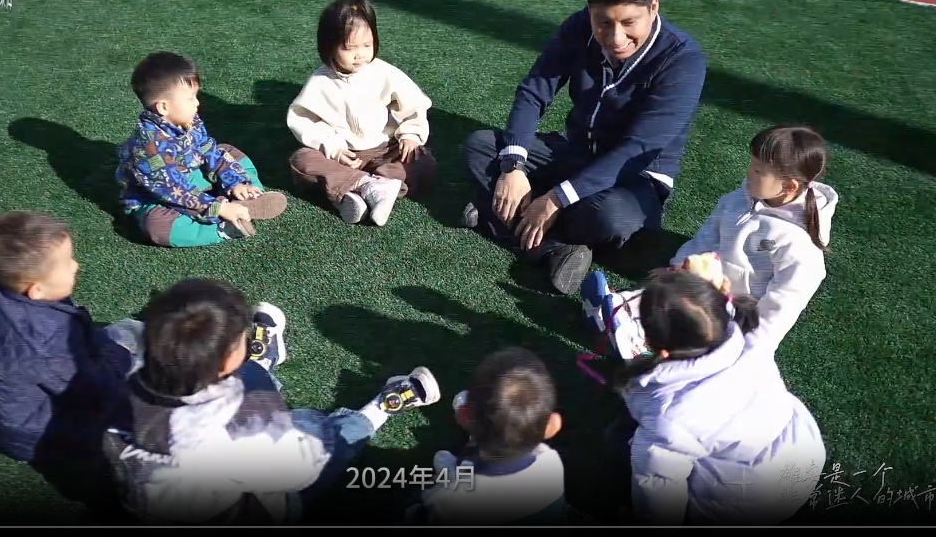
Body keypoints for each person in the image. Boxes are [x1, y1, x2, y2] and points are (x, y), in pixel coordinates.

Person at [461, 0, 708, 294]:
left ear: (653, 7)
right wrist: (513, 166)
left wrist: (555, 199)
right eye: (603, 22)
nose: (616, 37)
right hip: (574, 154)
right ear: (589, 10)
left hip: (634, 178)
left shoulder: (683, 60)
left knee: (612, 218)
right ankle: (553, 246)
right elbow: (534, 92)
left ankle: (502, 218)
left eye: (629, 23)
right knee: (481, 147)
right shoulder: (578, 27)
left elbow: (638, 147)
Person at [104, 278, 445, 525]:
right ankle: (380, 408)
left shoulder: (112, 380)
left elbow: (119, 336)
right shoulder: (240, 427)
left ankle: (264, 360)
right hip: (243, 508)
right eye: (239, 338)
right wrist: (306, 424)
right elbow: (301, 464)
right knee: (335, 440)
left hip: (147, 504)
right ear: (227, 362)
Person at [583, 124, 838, 354]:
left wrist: (752, 345)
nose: (749, 172)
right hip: (708, 285)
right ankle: (618, 311)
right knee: (667, 292)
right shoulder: (737, 200)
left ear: (789, 187)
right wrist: (678, 267)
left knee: (684, 313)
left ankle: (636, 336)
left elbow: (781, 306)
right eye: (751, 164)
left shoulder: (799, 245)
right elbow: (706, 238)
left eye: (758, 170)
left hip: (735, 312)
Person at [615, 268, 826, 525]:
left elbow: (658, 488)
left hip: (752, 500)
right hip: (803, 454)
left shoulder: (669, 418)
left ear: (659, 347)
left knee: (619, 441)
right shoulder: (751, 340)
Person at [0, 210, 138, 478]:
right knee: (150, 380)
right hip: (47, 435)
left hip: (24, 409)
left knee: (128, 334)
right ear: (37, 290)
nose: (76, 266)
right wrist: (122, 356)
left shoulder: (0, 290)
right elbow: (93, 389)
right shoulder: (44, 341)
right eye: (67, 263)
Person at [287, 0, 436, 226]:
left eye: (367, 45)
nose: (360, 54)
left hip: (384, 149)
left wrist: (411, 134)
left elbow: (413, 105)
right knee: (301, 159)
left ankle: (360, 188)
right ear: (329, 46)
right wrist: (334, 148)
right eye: (350, 48)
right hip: (344, 155)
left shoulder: (384, 72)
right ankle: (370, 186)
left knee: (422, 161)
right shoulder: (320, 81)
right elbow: (304, 120)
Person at [116, 52, 287, 247]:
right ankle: (224, 227)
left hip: (195, 176)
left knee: (227, 151)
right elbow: (175, 192)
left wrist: (236, 182)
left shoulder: (188, 120)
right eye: (190, 98)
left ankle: (248, 194)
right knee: (158, 226)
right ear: (163, 107)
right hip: (161, 198)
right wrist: (217, 209)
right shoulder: (149, 149)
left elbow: (209, 151)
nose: (197, 103)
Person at [401, 347, 568, 526]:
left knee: (415, 506)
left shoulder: (451, 499)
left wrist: (449, 477)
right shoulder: (552, 462)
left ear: (463, 416)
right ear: (552, 427)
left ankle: (456, 466)